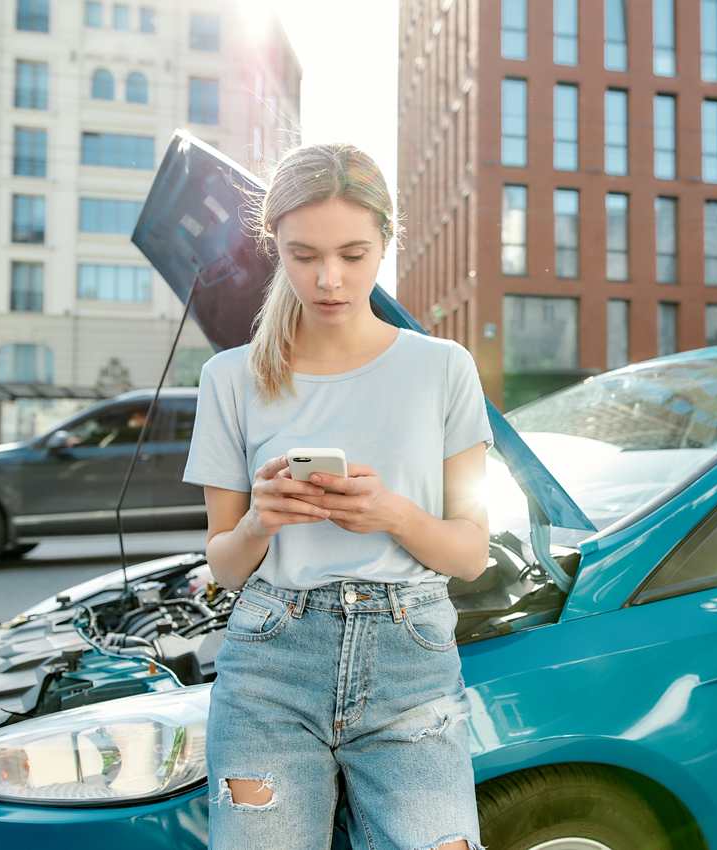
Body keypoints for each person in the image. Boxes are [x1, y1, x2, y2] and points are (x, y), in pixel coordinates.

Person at [182, 142, 491, 850]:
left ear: (387, 241)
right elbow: (226, 567)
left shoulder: (443, 368)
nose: (328, 278)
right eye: (303, 254)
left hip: (411, 666)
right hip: (268, 669)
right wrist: (260, 521)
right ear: (275, 249)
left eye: (353, 254)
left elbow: (471, 553)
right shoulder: (230, 379)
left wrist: (394, 515)